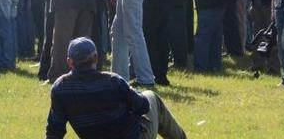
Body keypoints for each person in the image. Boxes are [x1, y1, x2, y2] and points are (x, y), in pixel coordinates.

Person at [46, 37, 186, 139]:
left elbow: (55, 130)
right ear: (95, 58)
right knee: (151, 96)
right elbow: (143, 106)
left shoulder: (60, 88)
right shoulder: (112, 81)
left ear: (69, 62)